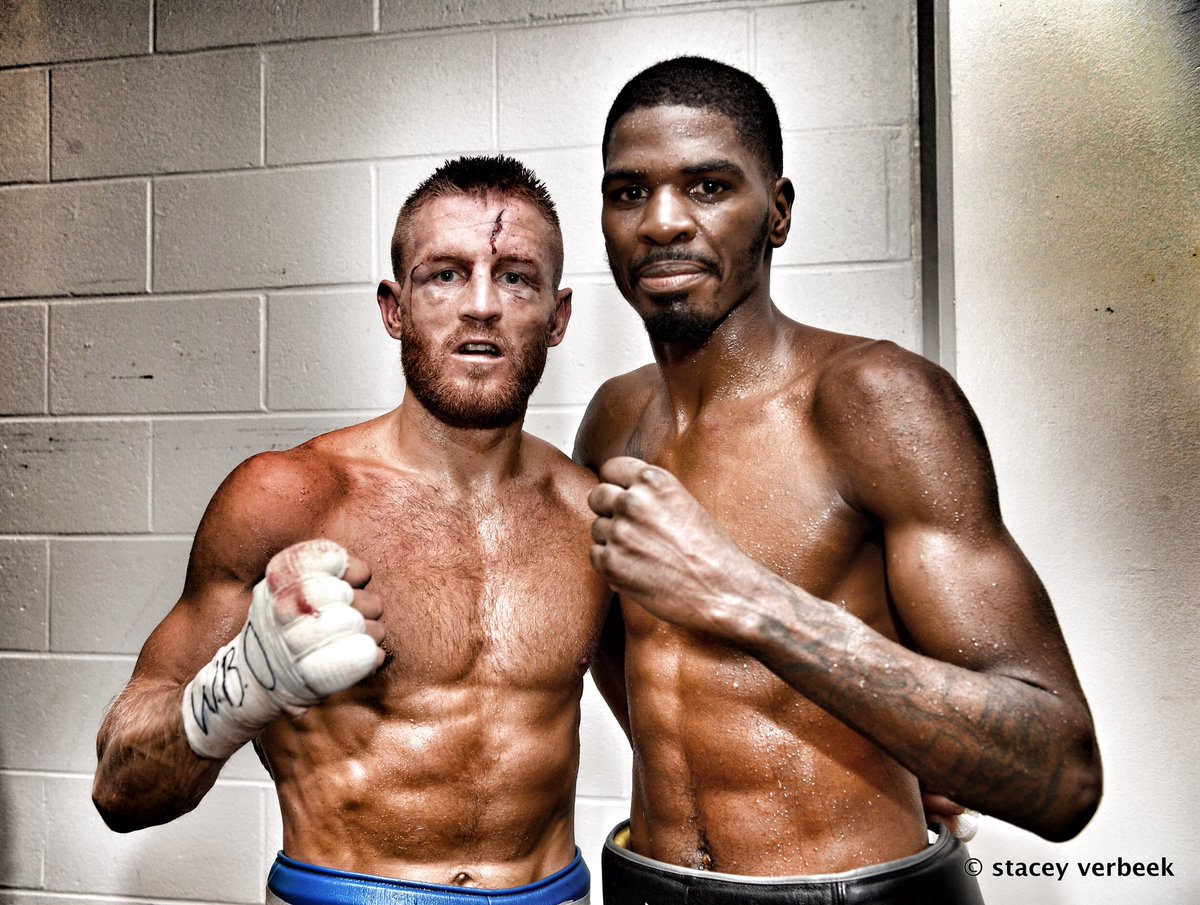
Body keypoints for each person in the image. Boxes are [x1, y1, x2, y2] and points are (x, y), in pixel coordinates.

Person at [574, 57, 1102, 904]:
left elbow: (1063, 772)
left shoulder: (874, 401)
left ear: (776, 213)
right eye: (629, 192)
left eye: (708, 187)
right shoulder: (612, 422)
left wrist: (746, 595)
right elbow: (621, 657)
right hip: (648, 881)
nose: (662, 221)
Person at [93, 156, 610, 905]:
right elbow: (118, 786)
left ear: (557, 317)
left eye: (515, 276)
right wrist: (241, 684)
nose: (481, 305)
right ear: (393, 308)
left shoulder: (590, 515)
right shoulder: (287, 496)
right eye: (445, 274)